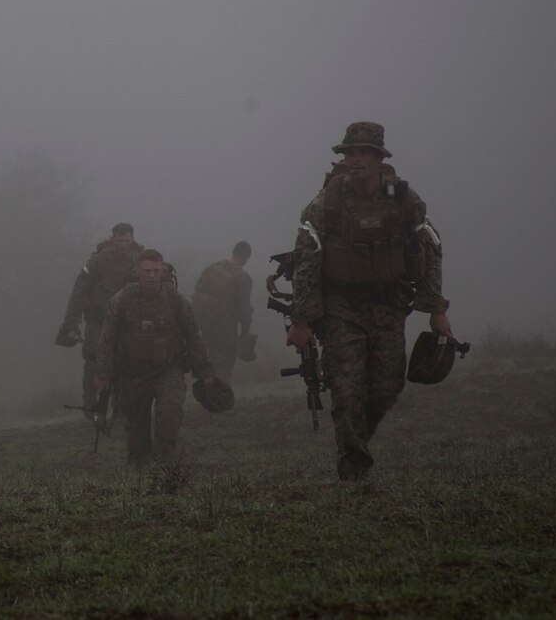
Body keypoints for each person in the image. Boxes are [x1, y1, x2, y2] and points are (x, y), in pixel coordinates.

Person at [285, 122, 455, 481]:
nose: (354, 159)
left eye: (363, 152)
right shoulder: (325, 205)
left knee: (386, 385)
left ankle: (357, 440)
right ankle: (353, 463)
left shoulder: (406, 201)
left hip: (389, 305)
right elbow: (306, 260)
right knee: (346, 388)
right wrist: (300, 320)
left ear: (379, 158)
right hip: (340, 308)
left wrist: (436, 309)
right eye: (349, 153)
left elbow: (430, 251)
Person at [96, 248, 216, 467]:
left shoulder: (176, 300)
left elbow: (193, 336)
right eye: (147, 271)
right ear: (138, 272)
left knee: (170, 412)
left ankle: (164, 466)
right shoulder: (121, 300)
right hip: (133, 372)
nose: (152, 276)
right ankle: (140, 471)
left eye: (156, 271)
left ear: (162, 272)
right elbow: (106, 340)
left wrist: (205, 371)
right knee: (136, 428)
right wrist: (103, 373)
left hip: (168, 368)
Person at [56, 222, 142, 417]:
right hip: (98, 318)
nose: (122, 244)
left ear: (132, 239)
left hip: (127, 321)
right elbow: (80, 289)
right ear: (113, 239)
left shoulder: (140, 261)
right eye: (119, 240)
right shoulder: (98, 260)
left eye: (126, 240)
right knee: (94, 358)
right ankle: (90, 403)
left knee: (125, 362)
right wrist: (72, 319)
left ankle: (119, 405)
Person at [192, 241, 254, 385]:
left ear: (234, 252)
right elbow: (244, 311)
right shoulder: (242, 277)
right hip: (226, 330)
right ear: (246, 256)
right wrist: (245, 333)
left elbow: (198, 290)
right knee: (223, 368)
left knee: (209, 362)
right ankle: (219, 400)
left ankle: (206, 396)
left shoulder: (213, 268)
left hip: (206, 326)